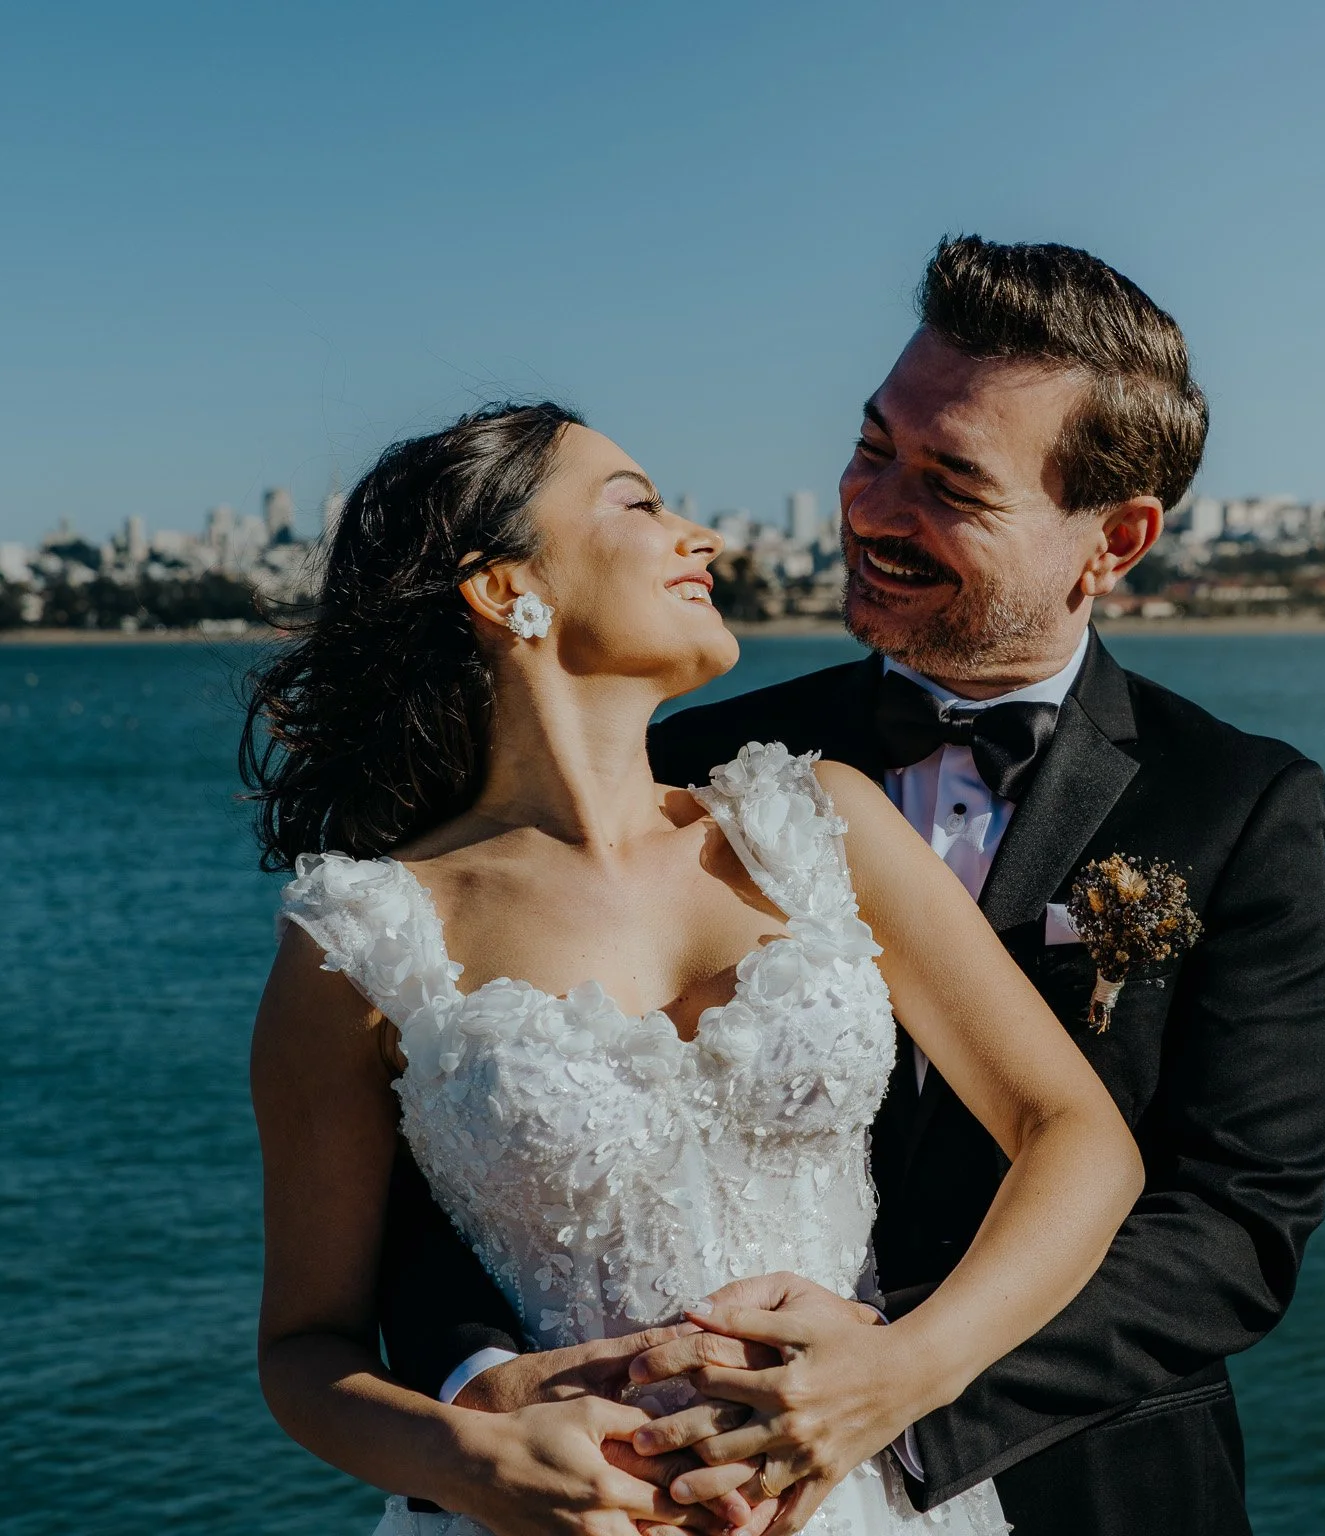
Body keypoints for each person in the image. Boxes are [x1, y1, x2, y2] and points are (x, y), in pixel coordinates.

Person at [381, 237, 1325, 1536]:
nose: (875, 509)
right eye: (873, 445)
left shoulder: (1237, 804)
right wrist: (486, 1384)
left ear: (1113, 540)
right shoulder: (683, 762)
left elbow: (1237, 1222)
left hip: (1093, 1488)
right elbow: (458, 1147)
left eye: (951, 483)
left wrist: (904, 1391)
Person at [243, 398, 1144, 1536]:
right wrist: (470, 1455)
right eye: (638, 503)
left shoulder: (820, 825)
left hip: (858, 1492)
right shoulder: (364, 937)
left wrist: (900, 1373)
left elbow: (1078, 1138)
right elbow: (303, 1349)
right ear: (501, 587)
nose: (700, 536)